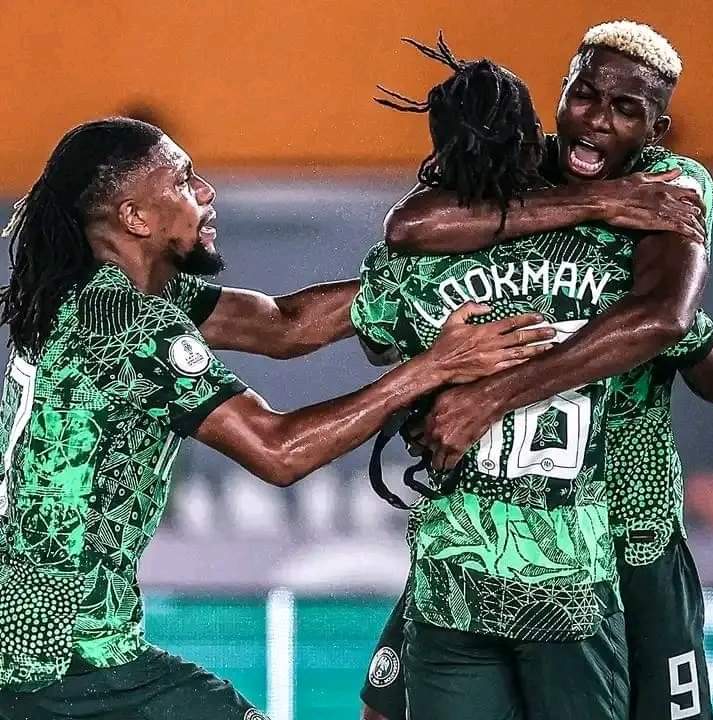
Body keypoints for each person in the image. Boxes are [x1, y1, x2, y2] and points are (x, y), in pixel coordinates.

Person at [0, 118, 555, 720]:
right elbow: (279, 450)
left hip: (44, 651)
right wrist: (435, 366)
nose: (206, 192)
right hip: (63, 664)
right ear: (135, 217)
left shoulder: (99, 294)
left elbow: (283, 326)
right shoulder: (130, 322)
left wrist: (432, 277)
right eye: (183, 181)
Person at [359, 21, 713, 720]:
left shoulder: (671, 183)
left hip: (627, 516)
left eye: (625, 109)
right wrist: (596, 202)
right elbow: (411, 226)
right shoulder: (519, 167)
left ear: (657, 128)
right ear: (562, 92)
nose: (597, 120)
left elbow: (662, 319)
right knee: (386, 707)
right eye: (585, 96)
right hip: (495, 518)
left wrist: (487, 398)